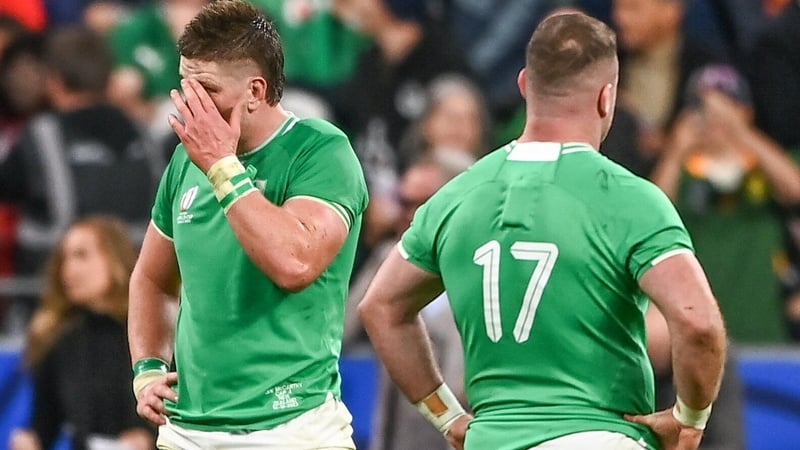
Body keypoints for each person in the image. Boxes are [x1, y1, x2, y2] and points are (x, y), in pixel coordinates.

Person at [358, 12, 727, 450]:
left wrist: (447, 416)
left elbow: (381, 306)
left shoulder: (454, 197)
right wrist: (689, 417)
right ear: (607, 98)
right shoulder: (629, 199)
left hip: (492, 439)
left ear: (523, 85)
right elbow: (697, 323)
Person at [127, 1, 368, 449]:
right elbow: (152, 278)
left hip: (292, 428)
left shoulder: (320, 151)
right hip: (187, 431)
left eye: (206, 90)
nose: (188, 105)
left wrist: (222, 165)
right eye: (183, 86)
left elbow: (294, 264)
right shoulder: (186, 160)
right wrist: (148, 369)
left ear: (256, 91)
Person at [8, 215, 155, 450]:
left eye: (81, 255)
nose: (68, 269)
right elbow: (45, 421)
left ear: (114, 257)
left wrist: (149, 437)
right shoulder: (60, 340)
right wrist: (30, 440)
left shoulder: (154, 330)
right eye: (64, 258)